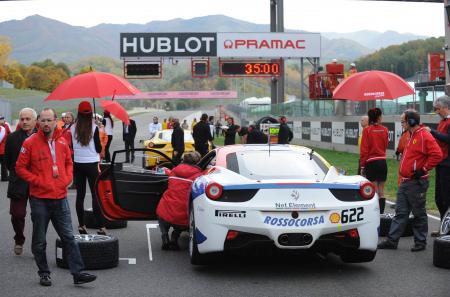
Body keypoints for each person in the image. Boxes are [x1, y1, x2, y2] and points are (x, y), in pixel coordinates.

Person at [16, 108, 97, 286]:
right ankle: (44, 273)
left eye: (49, 120)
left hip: (60, 198)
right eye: (43, 120)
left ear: (55, 121)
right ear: (39, 122)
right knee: (39, 240)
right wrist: (36, 180)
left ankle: (78, 273)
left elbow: (69, 162)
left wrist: (67, 179)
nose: (46, 123)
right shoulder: (29, 143)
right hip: (39, 199)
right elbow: (19, 168)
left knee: (69, 237)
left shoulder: (62, 141)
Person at [378, 110, 443, 252]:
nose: (402, 124)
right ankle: (392, 241)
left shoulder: (424, 135)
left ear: (411, 122)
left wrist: (423, 169)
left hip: (416, 183)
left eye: (403, 121)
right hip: (405, 182)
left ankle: (420, 242)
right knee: (400, 213)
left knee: (418, 213)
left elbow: (437, 154)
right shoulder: (409, 135)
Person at [70, 102, 106, 235]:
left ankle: (81, 225)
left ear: (78, 113)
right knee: (95, 195)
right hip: (91, 164)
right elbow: (98, 148)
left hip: (78, 163)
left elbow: (72, 147)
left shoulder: (72, 127)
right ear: (91, 112)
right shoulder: (94, 127)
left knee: (80, 195)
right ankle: (101, 226)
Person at [4, 108, 37, 255]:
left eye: (27, 119)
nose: (24, 122)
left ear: (35, 121)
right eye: (22, 119)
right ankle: (19, 238)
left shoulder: (42, 136)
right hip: (18, 181)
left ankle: (38, 244)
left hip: (38, 182)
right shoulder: (12, 138)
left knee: (39, 216)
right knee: (17, 215)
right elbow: (8, 161)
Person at [156, 152, 202, 250]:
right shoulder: (199, 176)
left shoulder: (174, 171)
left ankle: (164, 236)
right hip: (183, 211)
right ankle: (175, 237)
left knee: (161, 211)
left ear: (183, 160)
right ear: (197, 162)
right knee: (182, 221)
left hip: (168, 207)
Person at [426, 95, 450, 236]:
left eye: (438, 109)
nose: (436, 111)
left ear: (446, 107)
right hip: (441, 163)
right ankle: (443, 226)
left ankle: (446, 229)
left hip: (448, 164)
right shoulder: (442, 122)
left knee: (446, 198)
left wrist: (432, 132)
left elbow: (448, 139)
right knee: (439, 198)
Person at [359, 108, 389, 213]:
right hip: (382, 161)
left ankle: (375, 214)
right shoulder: (385, 129)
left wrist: (362, 166)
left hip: (371, 162)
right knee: (381, 191)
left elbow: (364, 150)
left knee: (374, 190)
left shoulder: (367, 130)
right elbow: (385, 145)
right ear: (379, 117)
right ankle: (381, 214)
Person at [0, 116, 10, 181]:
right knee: (3, 164)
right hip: (1, 149)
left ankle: (4, 177)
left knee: (4, 164)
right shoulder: (2, 128)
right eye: (1, 120)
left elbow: (9, 133)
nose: (3, 121)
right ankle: (4, 177)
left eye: (3, 119)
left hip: (3, 149)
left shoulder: (6, 126)